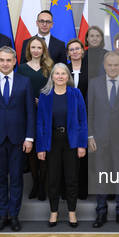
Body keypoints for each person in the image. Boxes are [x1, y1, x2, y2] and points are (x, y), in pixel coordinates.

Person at [0, 47, 36, 232]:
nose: (5, 63)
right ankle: (2, 214)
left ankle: (14, 216)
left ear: (14, 62)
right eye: (2, 60)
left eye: (8, 60)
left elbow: (30, 112)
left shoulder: (25, 82)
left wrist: (29, 138)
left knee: (17, 179)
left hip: (18, 139)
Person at [88, 51, 119, 228]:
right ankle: (101, 212)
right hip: (100, 139)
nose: (112, 68)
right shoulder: (94, 84)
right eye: (109, 65)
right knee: (101, 177)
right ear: (104, 65)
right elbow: (90, 112)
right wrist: (90, 135)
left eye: (116, 65)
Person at [36, 63, 87, 228]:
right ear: (52, 76)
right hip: (52, 141)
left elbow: (82, 120)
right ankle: (54, 212)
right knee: (53, 179)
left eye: (63, 73)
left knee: (71, 179)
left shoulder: (76, 93)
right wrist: (41, 147)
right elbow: (40, 123)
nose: (59, 76)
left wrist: (82, 144)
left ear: (68, 77)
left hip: (71, 141)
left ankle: (72, 212)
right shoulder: (45, 95)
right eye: (56, 73)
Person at [17, 37, 53, 201]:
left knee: (43, 149)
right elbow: (17, 89)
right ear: (29, 50)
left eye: (39, 47)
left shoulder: (49, 67)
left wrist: (44, 100)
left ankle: (42, 186)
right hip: (28, 112)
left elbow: (56, 88)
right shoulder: (22, 68)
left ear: (43, 49)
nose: (36, 50)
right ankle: (35, 183)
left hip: (47, 113)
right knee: (31, 150)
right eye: (33, 47)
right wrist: (30, 99)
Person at [67, 38, 89, 200]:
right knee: (68, 155)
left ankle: (83, 190)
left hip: (85, 117)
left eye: (77, 49)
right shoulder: (62, 69)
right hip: (65, 118)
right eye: (71, 49)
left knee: (83, 154)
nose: (75, 52)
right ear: (68, 53)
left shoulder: (92, 69)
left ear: (83, 51)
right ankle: (66, 191)